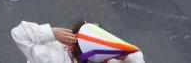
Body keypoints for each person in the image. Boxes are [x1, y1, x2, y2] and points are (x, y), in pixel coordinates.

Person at [11, 21, 143, 62]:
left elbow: (19, 34)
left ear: (71, 46)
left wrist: (51, 32)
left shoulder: (50, 57)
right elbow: (137, 56)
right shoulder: (109, 59)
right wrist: (126, 57)